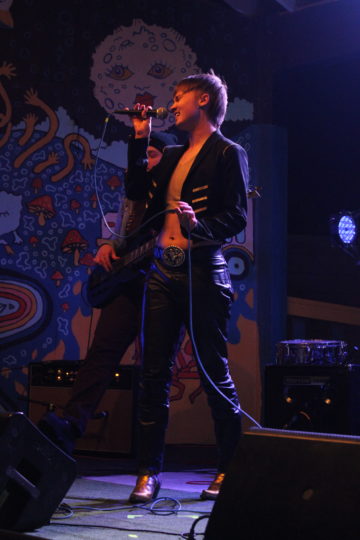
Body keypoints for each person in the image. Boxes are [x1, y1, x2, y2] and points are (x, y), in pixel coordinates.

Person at [125, 71, 249, 504]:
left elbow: (237, 217)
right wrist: (141, 136)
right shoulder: (174, 154)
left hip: (203, 271)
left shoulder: (228, 153)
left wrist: (199, 226)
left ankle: (229, 468)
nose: (172, 104)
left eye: (178, 97)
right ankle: (147, 473)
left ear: (202, 99)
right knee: (153, 373)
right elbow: (137, 190)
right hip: (162, 273)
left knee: (214, 372)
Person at [38, 131, 178, 455]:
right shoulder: (135, 194)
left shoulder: (176, 195)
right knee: (101, 355)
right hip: (128, 281)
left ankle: (148, 457)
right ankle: (69, 427)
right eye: (142, 157)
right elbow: (125, 233)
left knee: (156, 366)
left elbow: (179, 250)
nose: (143, 164)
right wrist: (108, 247)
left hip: (162, 284)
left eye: (152, 155)